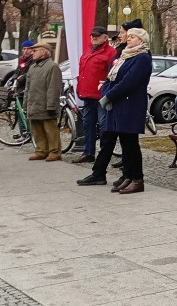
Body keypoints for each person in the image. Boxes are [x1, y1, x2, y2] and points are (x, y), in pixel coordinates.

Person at [77, 27, 153, 193]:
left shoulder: (142, 58)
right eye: (129, 36)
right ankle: (129, 176)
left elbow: (129, 81)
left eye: (133, 37)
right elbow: (111, 77)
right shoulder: (125, 55)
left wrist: (109, 96)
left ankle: (137, 179)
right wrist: (106, 92)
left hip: (130, 104)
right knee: (125, 143)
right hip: (119, 104)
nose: (129, 39)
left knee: (131, 143)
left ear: (141, 40)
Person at [73, 26, 117, 164]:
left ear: (105, 37)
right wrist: (80, 87)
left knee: (104, 125)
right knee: (88, 124)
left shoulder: (111, 53)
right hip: (87, 94)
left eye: (97, 36)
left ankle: (104, 155)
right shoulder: (88, 51)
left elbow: (113, 74)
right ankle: (88, 152)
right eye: (92, 35)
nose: (93, 37)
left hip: (101, 95)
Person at [23, 42, 63, 162]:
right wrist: (26, 102)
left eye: (35, 50)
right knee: (37, 129)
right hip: (34, 103)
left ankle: (54, 151)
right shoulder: (33, 67)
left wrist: (51, 105)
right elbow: (28, 87)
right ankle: (41, 150)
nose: (32, 53)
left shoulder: (52, 67)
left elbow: (54, 88)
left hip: (46, 104)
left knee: (50, 129)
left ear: (43, 52)